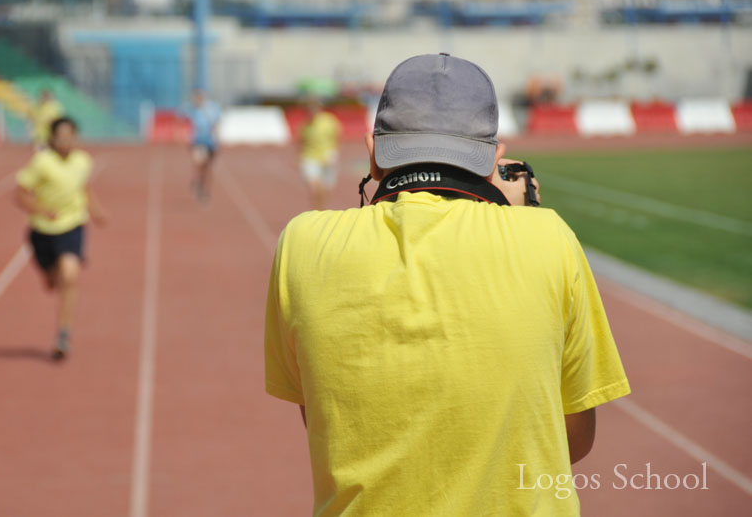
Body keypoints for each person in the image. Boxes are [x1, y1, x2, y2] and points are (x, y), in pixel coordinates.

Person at [265, 54, 630, 516]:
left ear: (374, 153)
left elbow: (327, 420)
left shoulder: (302, 245)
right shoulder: (549, 238)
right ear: (494, 160)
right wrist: (518, 218)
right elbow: (570, 440)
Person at [15, 116, 106, 359]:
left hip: (72, 226)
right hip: (42, 231)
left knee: (70, 275)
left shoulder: (83, 161)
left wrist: (96, 211)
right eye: (60, 135)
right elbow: (20, 194)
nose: (65, 140)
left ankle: (63, 333)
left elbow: (84, 187)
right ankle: (48, 273)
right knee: (53, 281)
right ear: (52, 138)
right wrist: (42, 210)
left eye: (70, 135)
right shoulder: (41, 162)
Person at [298, 95, 342, 210]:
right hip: (310, 158)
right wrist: (300, 156)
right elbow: (301, 142)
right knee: (314, 187)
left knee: (325, 190)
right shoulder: (305, 126)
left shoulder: (329, 121)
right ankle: (317, 211)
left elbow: (337, 137)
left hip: (327, 158)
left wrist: (334, 153)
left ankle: (322, 210)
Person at [185, 88, 221, 202]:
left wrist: (217, 140)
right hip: (198, 141)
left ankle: (204, 186)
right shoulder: (193, 109)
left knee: (207, 167)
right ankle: (197, 181)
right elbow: (186, 120)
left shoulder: (212, 108)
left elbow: (216, 124)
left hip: (210, 141)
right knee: (199, 162)